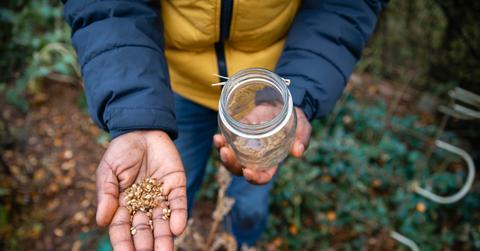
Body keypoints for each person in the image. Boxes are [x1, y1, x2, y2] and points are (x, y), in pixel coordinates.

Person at [63, 0, 387, 250]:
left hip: (266, 96)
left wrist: (298, 90)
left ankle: (241, 243)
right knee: (172, 190)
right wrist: (136, 113)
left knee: (249, 203)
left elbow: (344, 8)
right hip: (168, 85)